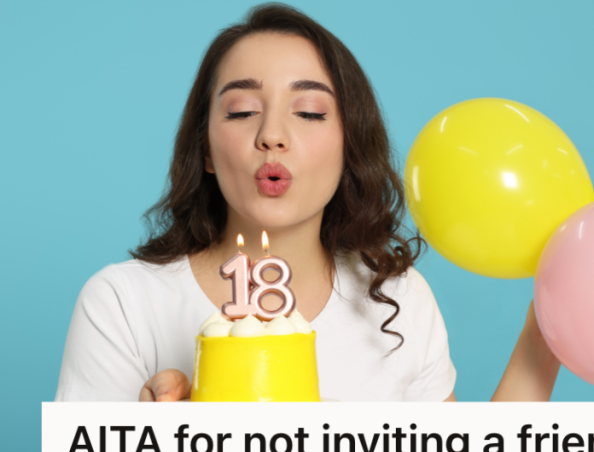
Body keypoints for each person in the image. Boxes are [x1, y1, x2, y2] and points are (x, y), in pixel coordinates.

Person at [54, 3, 560, 403]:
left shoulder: (399, 300)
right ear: (205, 148)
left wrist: (549, 329)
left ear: (349, 144)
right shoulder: (122, 304)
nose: (272, 135)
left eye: (311, 112)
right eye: (242, 110)